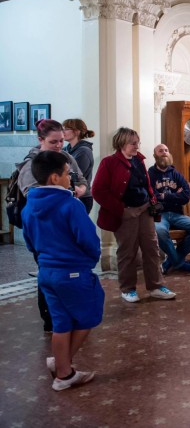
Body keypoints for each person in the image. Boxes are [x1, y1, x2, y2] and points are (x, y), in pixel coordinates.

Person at [21, 151, 104, 391]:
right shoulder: (70, 204)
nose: (71, 178)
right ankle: (62, 366)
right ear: (55, 178)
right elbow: (88, 239)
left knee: (61, 323)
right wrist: (88, 260)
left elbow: (30, 242)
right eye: (68, 173)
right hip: (73, 272)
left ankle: (63, 373)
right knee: (89, 315)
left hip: (46, 273)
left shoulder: (29, 206)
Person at [17, 119, 89, 332]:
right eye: (53, 142)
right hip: (46, 229)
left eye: (61, 140)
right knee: (48, 273)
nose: (59, 145)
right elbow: (33, 196)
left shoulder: (66, 157)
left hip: (68, 222)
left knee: (69, 272)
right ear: (41, 140)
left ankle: (69, 314)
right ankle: (50, 318)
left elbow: (83, 181)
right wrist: (64, 195)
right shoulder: (32, 164)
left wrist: (78, 190)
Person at [92, 127, 176, 303]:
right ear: (121, 143)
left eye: (137, 142)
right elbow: (98, 191)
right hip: (125, 213)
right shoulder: (109, 163)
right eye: (133, 143)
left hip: (144, 209)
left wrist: (152, 201)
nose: (137, 146)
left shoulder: (139, 160)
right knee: (127, 251)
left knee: (152, 248)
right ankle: (128, 289)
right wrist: (121, 209)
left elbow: (146, 183)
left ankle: (156, 286)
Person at [148, 144, 190, 274]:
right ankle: (180, 263)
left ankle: (170, 262)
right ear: (155, 155)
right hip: (159, 215)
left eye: (166, 150)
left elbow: (185, 196)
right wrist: (174, 195)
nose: (164, 153)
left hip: (177, 214)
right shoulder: (150, 174)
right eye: (160, 151)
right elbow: (152, 197)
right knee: (160, 231)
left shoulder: (176, 175)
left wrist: (165, 195)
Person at [63, 118, 95, 214]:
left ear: (76, 132)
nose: (63, 132)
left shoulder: (84, 151)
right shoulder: (66, 149)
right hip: (70, 195)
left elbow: (75, 176)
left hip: (82, 197)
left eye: (66, 129)